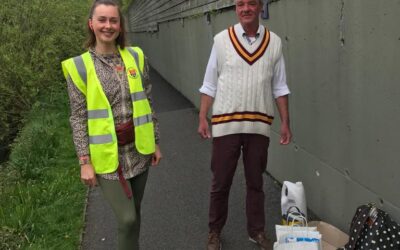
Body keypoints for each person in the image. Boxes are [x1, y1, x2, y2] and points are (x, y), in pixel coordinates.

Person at [61, 1, 162, 249]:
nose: (108, 25)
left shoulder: (136, 57)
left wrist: (155, 141)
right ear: (91, 24)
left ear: (120, 25)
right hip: (107, 157)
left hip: (139, 149)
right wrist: (84, 161)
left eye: (113, 20)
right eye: (102, 20)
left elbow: (147, 100)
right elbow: (77, 117)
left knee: (135, 212)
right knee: (126, 219)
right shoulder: (79, 67)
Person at [197, 0, 292, 249]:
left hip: (258, 126)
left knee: (256, 182)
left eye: (251, 3)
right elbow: (210, 83)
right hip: (225, 124)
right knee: (221, 182)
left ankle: (256, 231)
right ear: (236, 9)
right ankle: (214, 231)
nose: (245, 8)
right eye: (240, 4)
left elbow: (280, 87)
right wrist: (202, 118)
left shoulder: (275, 43)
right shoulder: (221, 40)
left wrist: (285, 123)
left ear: (260, 7)